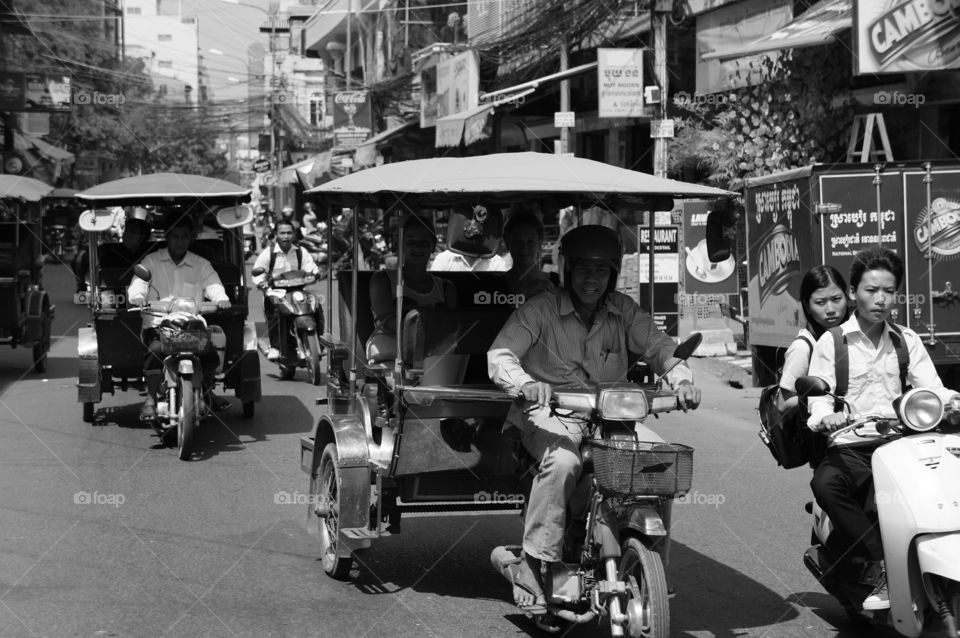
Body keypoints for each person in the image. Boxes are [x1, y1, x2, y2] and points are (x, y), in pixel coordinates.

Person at [486, 225, 701, 611]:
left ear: (613, 274)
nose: (591, 278)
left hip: (609, 415)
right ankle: (535, 563)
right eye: (583, 268)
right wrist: (525, 385)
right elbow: (500, 355)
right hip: (549, 413)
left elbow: (660, 348)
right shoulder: (540, 309)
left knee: (659, 460)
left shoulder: (624, 311)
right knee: (564, 461)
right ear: (567, 270)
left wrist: (681, 380)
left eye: (601, 270)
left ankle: (654, 560)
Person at [806, 247, 957, 611]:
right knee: (825, 484)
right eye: (872, 290)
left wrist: (951, 400)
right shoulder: (833, 341)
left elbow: (933, 388)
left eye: (888, 291)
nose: (881, 299)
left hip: (900, 444)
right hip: (851, 446)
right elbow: (818, 396)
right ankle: (880, 564)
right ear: (854, 291)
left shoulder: (906, 340)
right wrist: (826, 416)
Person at [128, 216, 232, 423]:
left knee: (210, 355)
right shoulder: (151, 261)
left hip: (191, 326)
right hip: (159, 324)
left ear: (191, 238)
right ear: (167, 237)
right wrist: (138, 297)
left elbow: (213, 284)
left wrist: (221, 299)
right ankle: (150, 399)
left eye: (184, 237)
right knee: (156, 351)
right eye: (175, 236)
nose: (179, 241)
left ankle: (208, 392)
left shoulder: (201, 264)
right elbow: (139, 283)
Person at [366, 214, 457, 363]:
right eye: (410, 241)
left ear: (433, 246)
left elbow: (452, 327)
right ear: (401, 244)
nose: (417, 247)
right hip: (390, 355)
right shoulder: (382, 280)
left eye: (424, 242)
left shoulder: (447, 288)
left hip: (433, 356)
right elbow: (389, 324)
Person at [776, 265, 850, 412]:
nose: (830, 309)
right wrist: (824, 403)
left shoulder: (856, 338)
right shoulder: (802, 348)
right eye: (820, 302)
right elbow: (783, 403)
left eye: (836, 299)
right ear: (807, 306)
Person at [251, 219, 320, 362]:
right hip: (276, 293)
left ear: (294, 234)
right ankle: (275, 347)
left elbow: (312, 267)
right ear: (276, 234)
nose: (286, 236)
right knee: (276, 311)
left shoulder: (301, 252)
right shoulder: (268, 254)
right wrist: (263, 284)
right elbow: (257, 273)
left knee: (316, 306)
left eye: (289, 233)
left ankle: (319, 341)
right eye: (282, 233)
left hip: (299, 292)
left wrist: (315, 273)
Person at [74, 207, 153, 292]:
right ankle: (81, 284)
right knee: (79, 258)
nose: (128, 234)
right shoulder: (109, 253)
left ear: (143, 236)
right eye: (127, 231)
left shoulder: (152, 255)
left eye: (132, 231)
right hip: (113, 292)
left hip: (145, 293)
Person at [502, 210, 556, 299]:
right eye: (517, 242)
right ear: (508, 243)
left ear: (539, 244)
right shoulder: (495, 284)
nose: (524, 249)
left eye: (531, 242)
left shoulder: (557, 282)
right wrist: (524, 294)